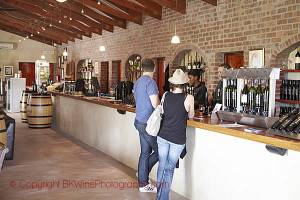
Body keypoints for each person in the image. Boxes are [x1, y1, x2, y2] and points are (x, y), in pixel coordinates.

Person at [156, 69, 194, 200]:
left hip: (162, 135)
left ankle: (159, 197)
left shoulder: (166, 95)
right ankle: (163, 198)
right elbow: (191, 115)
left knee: (162, 166)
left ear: (172, 84)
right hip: (177, 139)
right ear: (185, 84)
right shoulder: (189, 98)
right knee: (169, 169)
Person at [133, 59, 160, 193]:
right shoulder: (150, 83)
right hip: (147, 124)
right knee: (160, 150)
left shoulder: (137, 82)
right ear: (154, 68)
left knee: (145, 153)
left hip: (139, 121)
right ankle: (143, 180)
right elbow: (155, 103)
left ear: (142, 68)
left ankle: (142, 176)